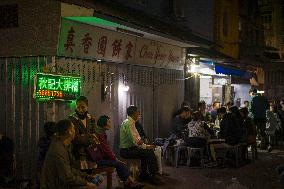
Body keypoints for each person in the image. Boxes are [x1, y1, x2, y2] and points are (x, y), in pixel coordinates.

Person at [40, 119, 98, 189]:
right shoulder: (58, 150)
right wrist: (86, 183)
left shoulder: (63, 145)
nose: (75, 130)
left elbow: (69, 169)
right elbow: (68, 177)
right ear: (69, 132)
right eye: (73, 128)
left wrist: (87, 177)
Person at [95, 115, 144, 189]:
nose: (110, 123)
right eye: (108, 121)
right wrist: (114, 158)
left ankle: (129, 182)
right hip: (97, 160)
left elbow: (106, 150)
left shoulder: (101, 133)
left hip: (100, 158)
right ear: (103, 123)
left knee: (120, 163)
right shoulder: (99, 134)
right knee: (119, 164)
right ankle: (129, 182)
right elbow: (106, 150)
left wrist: (113, 157)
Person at [119, 105, 160, 185]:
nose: (139, 114)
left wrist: (145, 146)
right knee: (149, 152)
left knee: (145, 152)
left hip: (128, 149)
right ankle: (152, 176)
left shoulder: (129, 122)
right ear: (133, 113)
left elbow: (137, 138)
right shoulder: (129, 123)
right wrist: (147, 146)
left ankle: (144, 175)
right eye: (138, 112)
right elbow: (137, 140)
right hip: (126, 151)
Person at [69, 96, 96, 169]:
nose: (80, 110)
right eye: (78, 107)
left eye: (83, 107)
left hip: (91, 154)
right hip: (78, 155)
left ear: (87, 106)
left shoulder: (91, 118)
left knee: (91, 176)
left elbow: (94, 134)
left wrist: (84, 136)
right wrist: (89, 138)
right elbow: (76, 138)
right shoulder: (72, 119)